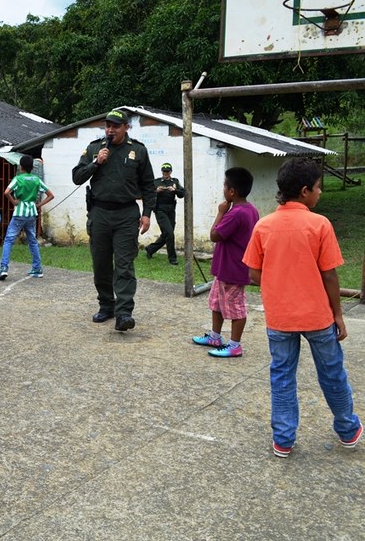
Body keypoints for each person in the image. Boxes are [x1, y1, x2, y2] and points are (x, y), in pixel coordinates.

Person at [243, 157, 362, 458]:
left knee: (282, 376)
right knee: (332, 373)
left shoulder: (263, 226)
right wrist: (338, 315)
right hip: (318, 317)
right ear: (305, 190)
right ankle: (347, 429)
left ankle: (283, 439)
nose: (320, 192)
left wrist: (278, 284)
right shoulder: (319, 224)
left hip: (280, 318)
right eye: (319, 187)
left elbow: (254, 274)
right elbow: (329, 275)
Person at [72, 108, 156, 332]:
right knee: (101, 264)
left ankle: (124, 313)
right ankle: (106, 305)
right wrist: (96, 163)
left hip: (126, 214)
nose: (110, 130)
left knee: (124, 265)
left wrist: (147, 213)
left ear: (126, 128)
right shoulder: (94, 148)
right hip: (99, 213)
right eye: (108, 126)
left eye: (116, 126)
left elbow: (149, 185)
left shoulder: (138, 150)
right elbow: (77, 177)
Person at [191, 168, 259, 358]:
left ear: (232, 191)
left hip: (233, 270)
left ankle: (235, 345)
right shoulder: (251, 210)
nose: (223, 189)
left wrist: (221, 212)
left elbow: (214, 235)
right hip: (226, 268)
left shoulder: (234, 214)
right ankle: (215, 336)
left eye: (224, 186)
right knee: (217, 303)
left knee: (236, 308)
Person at [0, 155, 55, 281]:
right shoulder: (36, 179)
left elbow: (6, 192)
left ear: (21, 167)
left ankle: (4, 268)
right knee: (32, 240)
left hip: (20, 212)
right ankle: (37, 268)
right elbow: (51, 195)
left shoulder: (18, 179)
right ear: (32, 168)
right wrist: (38, 205)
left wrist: (14, 201)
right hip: (31, 213)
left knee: (9, 240)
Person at [145, 163, 185, 265]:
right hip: (160, 210)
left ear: (170, 172)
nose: (165, 173)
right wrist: (156, 191)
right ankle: (172, 258)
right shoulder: (156, 182)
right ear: (162, 171)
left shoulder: (175, 181)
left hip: (171, 210)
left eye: (167, 171)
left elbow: (182, 194)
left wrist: (175, 190)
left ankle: (150, 249)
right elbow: (148, 193)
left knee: (167, 234)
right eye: (164, 171)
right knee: (169, 234)